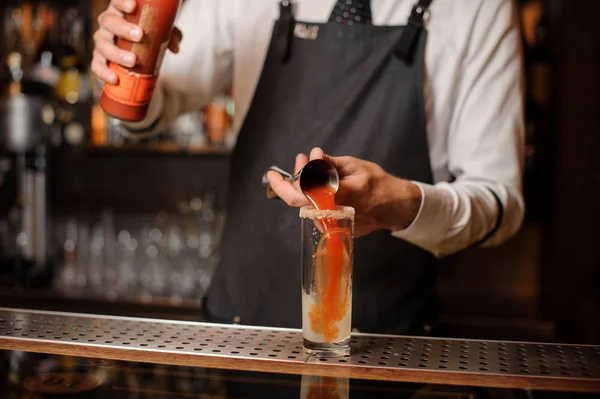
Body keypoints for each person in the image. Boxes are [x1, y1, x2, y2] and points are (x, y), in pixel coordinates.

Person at [92, 0, 525, 335]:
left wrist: (405, 205)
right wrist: (123, 62)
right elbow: (153, 105)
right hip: (244, 334)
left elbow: (499, 203)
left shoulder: (478, 9)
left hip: (388, 348)